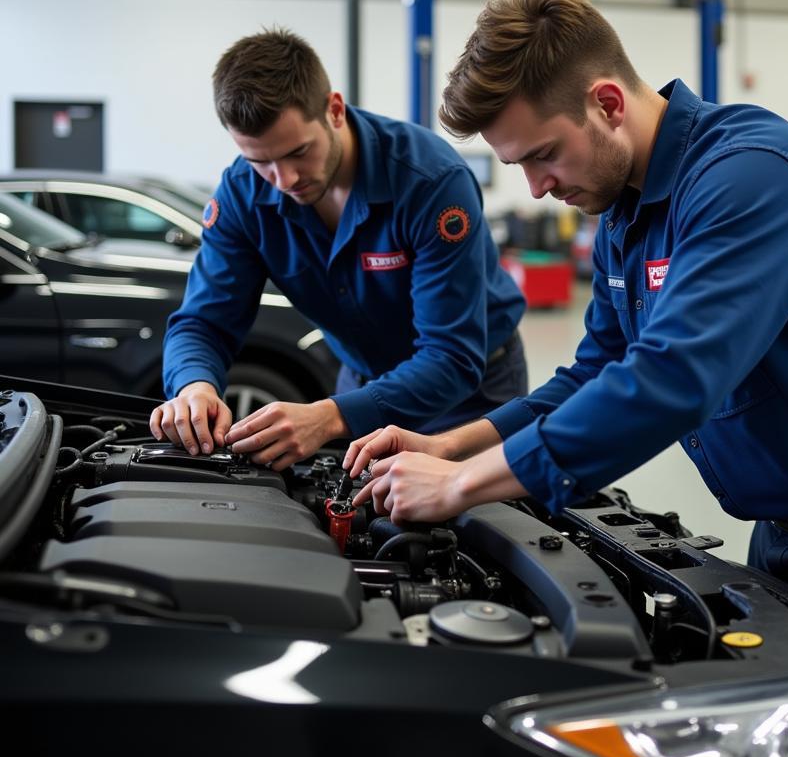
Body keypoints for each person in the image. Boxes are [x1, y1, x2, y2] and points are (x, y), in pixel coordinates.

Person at [343, 0, 788, 757]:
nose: (537, 188)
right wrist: (450, 444)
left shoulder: (749, 175)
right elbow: (594, 373)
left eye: (544, 154)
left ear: (609, 102)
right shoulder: (627, 212)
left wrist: (461, 489)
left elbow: (673, 377)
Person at [150, 27, 527, 471]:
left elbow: (450, 357)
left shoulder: (429, 183)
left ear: (333, 110)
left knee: (479, 531)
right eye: (260, 161)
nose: (283, 179)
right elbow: (203, 322)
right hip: (362, 383)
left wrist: (330, 416)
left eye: (298, 152)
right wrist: (194, 387)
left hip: (470, 394)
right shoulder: (242, 195)